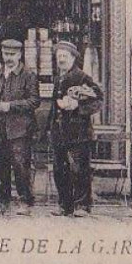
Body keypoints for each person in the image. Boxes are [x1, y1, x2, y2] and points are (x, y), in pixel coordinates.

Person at [46, 41, 103, 217]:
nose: (61, 60)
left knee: (79, 169)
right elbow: (54, 106)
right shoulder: (58, 78)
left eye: (65, 56)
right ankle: (64, 205)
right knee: (59, 169)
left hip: (79, 132)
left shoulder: (83, 77)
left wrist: (77, 105)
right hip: (59, 131)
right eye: (59, 57)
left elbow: (98, 100)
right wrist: (49, 127)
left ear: (73, 58)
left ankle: (82, 206)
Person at [0, 38, 40, 214]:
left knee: (20, 165)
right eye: (5, 54)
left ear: (19, 54)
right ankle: (3, 202)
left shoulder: (28, 75)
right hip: (0, 126)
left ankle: (26, 202)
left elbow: (34, 101)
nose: (8, 58)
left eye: (12, 54)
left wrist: (10, 106)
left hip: (20, 128)